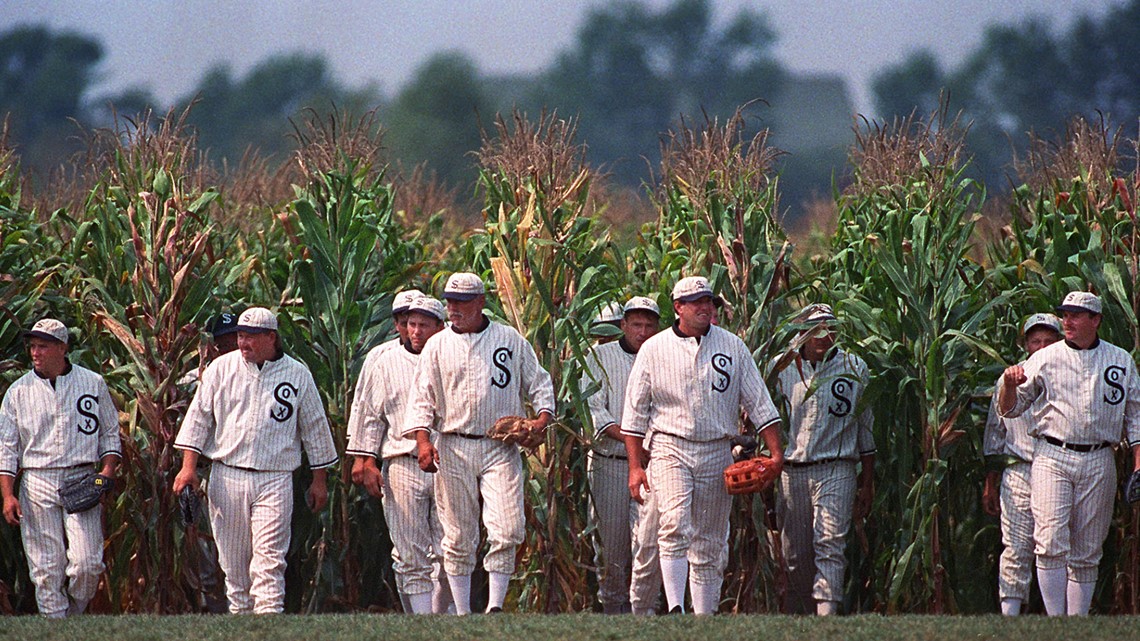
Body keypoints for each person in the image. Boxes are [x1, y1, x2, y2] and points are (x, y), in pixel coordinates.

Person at [622, 276, 783, 615]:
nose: (704, 306)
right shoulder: (654, 349)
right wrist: (636, 467)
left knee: (710, 540)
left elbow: (760, 403)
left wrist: (777, 454)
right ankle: (677, 606)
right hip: (669, 445)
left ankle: (703, 618)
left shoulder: (732, 346)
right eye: (695, 301)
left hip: (716, 448)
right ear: (678, 307)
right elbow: (634, 415)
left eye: (708, 300)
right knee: (675, 523)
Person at [405, 272, 555, 614]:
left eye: (461, 301)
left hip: (499, 445)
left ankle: (495, 607)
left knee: (507, 527)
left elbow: (540, 383)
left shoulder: (509, 339)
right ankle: (462, 612)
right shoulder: (438, 345)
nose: (453, 308)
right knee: (457, 535)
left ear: (481, 301)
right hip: (453, 444)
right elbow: (421, 399)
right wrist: (423, 441)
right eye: (449, 301)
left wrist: (541, 420)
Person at [172, 307, 338, 614]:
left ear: (270, 338)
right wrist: (188, 467)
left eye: (250, 336)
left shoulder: (297, 374)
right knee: (235, 571)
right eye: (240, 335)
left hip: (275, 478)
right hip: (227, 475)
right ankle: (244, 626)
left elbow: (315, 427)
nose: (242, 342)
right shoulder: (221, 370)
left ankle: (268, 625)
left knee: (269, 565)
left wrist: (319, 480)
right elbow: (198, 419)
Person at [999, 291, 1140, 616]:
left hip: (1100, 456)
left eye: (1076, 315)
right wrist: (1008, 385)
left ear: (1096, 320)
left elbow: (1135, 415)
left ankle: (1077, 623)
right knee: (1049, 540)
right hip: (1052, 455)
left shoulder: (1120, 359)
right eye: (1065, 314)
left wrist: (1136, 464)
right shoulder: (1045, 358)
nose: (1068, 321)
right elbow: (1012, 409)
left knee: (1088, 549)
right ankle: (1056, 622)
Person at [0, 318, 121, 618]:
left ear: (62, 348)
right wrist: (7, 495)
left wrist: (106, 474)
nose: (35, 353)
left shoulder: (92, 383)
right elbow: (6, 448)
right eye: (32, 346)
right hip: (37, 478)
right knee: (46, 567)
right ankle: (56, 626)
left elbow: (109, 433)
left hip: (81, 476)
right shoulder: (18, 392)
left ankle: (74, 615)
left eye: (43, 346)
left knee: (87, 563)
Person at [347, 296, 452, 614]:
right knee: (409, 551)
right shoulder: (382, 359)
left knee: (450, 549)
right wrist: (364, 459)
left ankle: (444, 616)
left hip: (449, 461)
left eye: (420, 322)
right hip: (401, 461)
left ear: (438, 325)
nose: (412, 328)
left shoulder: (453, 354)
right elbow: (368, 413)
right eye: (406, 321)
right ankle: (422, 621)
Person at [770, 303, 875, 616]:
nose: (823, 335)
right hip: (792, 470)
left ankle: (827, 619)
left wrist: (867, 482)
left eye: (829, 328)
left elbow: (865, 428)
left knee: (830, 543)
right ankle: (803, 616)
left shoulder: (854, 366)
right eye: (815, 328)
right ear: (800, 332)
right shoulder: (781, 367)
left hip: (837, 467)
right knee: (795, 554)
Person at [581, 296, 661, 614]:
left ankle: (648, 613)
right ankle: (614, 614)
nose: (642, 332)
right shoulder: (598, 356)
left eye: (649, 325)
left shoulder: (664, 356)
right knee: (611, 548)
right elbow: (595, 413)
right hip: (608, 464)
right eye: (636, 324)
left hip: (654, 465)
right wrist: (634, 445)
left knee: (649, 543)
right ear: (623, 325)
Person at [982, 313, 1063, 616]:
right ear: (1026, 343)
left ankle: (1060, 615)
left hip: (1057, 465)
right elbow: (995, 433)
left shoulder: (1068, 376)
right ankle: (1011, 614)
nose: (1041, 346)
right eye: (1035, 340)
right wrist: (990, 481)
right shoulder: (1008, 379)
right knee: (1015, 544)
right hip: (1018, 467)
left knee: (1054, 543)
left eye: (1048, 340)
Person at [346, 289, 422, 445]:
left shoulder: (443, 351)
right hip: (395, 449)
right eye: (405, 323)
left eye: (416, 323)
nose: (411, 330)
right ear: (395, 324)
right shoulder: (379, 355)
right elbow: (363, 404)